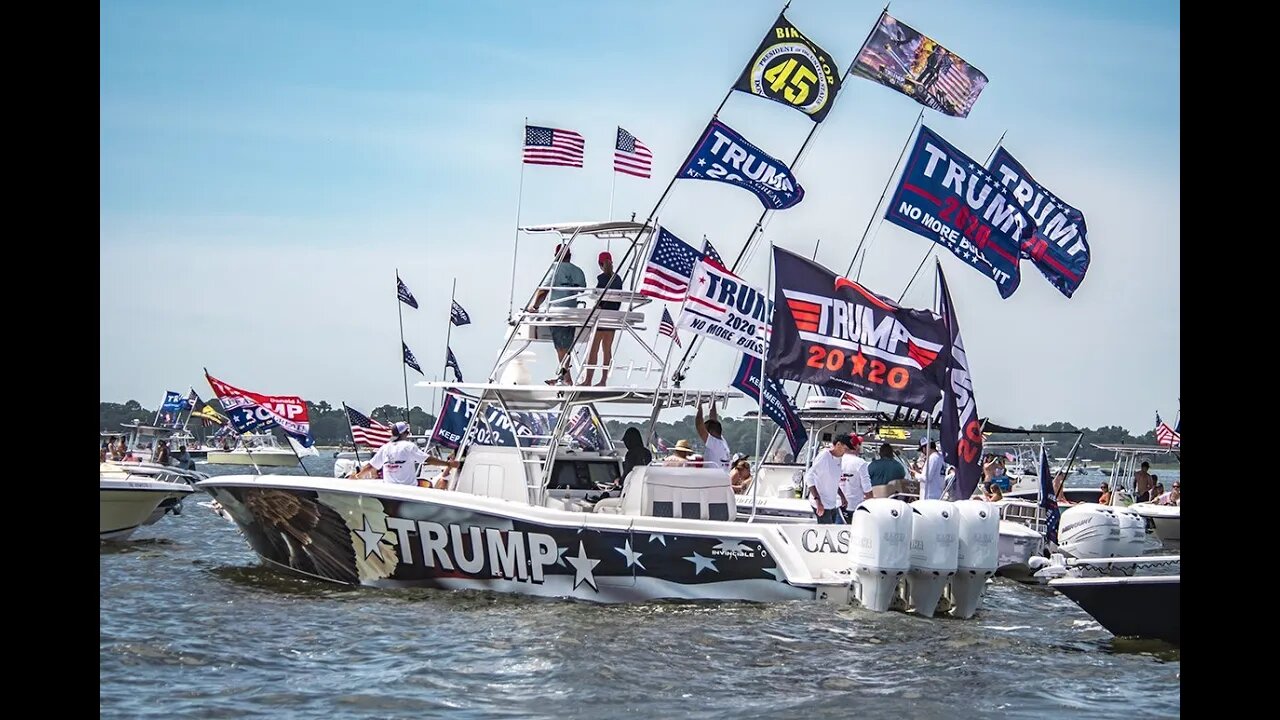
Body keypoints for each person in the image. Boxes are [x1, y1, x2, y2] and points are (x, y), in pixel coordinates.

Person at [526, 243, 587, 386]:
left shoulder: (554, 269)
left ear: (556, 256)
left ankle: (565, 378)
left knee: (560, 347)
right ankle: (566, 377)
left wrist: (534, 306)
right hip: (572, 313)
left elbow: (543, 291)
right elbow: (582, 289)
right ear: (570, 256)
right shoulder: (578, 271)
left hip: (558, 313)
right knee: (566, 346)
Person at [351, 421, 459, 486]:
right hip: (408, 489)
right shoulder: (409, 446)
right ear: (404, 434)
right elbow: (427, 459)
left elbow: (371, 466)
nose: (408, 434)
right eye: (407, 432)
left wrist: (358, 476)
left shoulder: (385, 448)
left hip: (389, 490)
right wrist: (448, 464)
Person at [582, 251, 623, 387]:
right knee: (607, 349)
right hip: (613, 317)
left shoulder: (601, 278)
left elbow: (599, 298)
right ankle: (603, 380)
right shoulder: (618, 279)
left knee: (593, 349)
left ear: (600, 264)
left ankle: (588, 380)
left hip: (602, 317)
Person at [804, 435, 852, 524]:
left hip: (832, 504)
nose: (846, 452)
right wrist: (818, 501)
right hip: (821, 503)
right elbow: (809, 477)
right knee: (826, 532)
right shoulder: (824, 456)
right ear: (838, 445)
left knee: (831, 530)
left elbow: (833, 480)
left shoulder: (839, 459)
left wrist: (842, 496)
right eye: (845, 449)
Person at [839, 434, 873, 518]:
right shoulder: (860, 463)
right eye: (859, 444)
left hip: (835, 505)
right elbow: (867, 489)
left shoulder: (836, 459)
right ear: (856, 446)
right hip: (854, 506)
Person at [695, 401, 731, 469]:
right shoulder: (722, 442)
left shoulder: (715, 444)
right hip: (722, 477)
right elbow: (713, 419)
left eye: (707, 431)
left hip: (714, 478)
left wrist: (699, 407)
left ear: (711, 431)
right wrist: (713, 402)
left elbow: (699, 425)